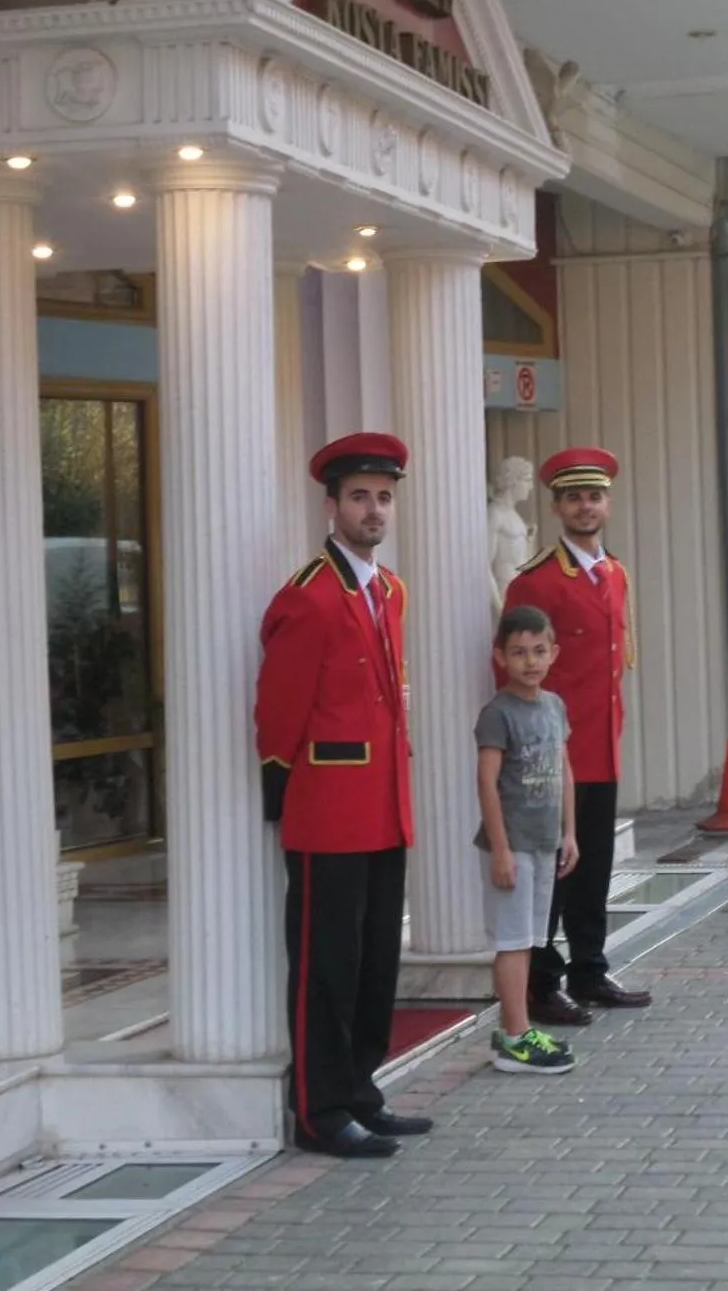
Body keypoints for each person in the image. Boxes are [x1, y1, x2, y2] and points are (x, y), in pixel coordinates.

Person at [255, 432, 433, 1159]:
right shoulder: (309, 598)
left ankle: (361, 1089)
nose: (373, 509)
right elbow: (279, 712)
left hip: (385, 805)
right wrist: (281, 793)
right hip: (328, 809)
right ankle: (320, 1109)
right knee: (325, 968)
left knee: (372, 963)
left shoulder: (388, 591)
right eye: (359, 496)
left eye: (383, 497)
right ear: (331, 506)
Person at [502, 447, 653, 1025]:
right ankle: (543, 982)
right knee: (552, 874)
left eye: (593, 496)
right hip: (552, 752)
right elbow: (514, 669)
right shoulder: (537, 580)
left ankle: (590, 969)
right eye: (573, 498)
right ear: (557, 506)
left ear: (606, 503)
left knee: (593, 866)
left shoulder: (614, 573)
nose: (585, 506)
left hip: (601, 744)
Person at [476, 605, 582, 1074]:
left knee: (532, 939)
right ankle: (514, 1037)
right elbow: (487, 781)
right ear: (500, 657)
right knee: (514, 941)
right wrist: (500, 848)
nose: (530, 661)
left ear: (553, 653)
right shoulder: (498, 713)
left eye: (539, 651)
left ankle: (515, 1028)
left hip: (545, 843)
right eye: (518, 652)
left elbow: (564, 771)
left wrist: (569, 832)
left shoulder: (554, 706)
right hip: (514, 846)